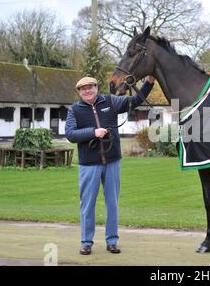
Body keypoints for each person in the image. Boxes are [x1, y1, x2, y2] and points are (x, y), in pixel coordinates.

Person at [65, 75, 155, 255]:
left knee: (112, 203)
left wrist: (149, 83)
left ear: (96, 88)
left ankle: (112, 241)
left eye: (90, 87)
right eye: (83, 89)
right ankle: (86, 242)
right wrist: (93, 132)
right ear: (79, 92)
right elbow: (70, 134)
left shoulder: (110, 101)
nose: (88, 91)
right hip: (89, 164)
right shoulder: (74, 110)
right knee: (87, 204)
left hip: (112, 160)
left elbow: (135, 100)